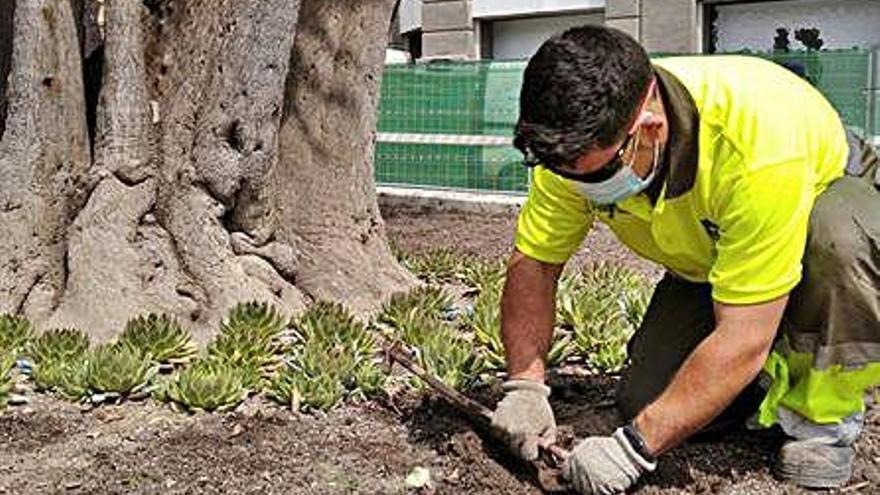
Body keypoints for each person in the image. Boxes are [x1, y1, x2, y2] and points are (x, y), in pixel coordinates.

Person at [490, 25, 880, 494]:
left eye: (598, 176)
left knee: (838, 239)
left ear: (648, 130)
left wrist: (633, 450)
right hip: (715, 252)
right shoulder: (573, 149)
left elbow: (743, 337)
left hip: (827, 194)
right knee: (648, 401)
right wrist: (525, 385)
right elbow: (535, 264)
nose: (580, 188)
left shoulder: (755, 149)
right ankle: (767, 370)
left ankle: (825, 420)